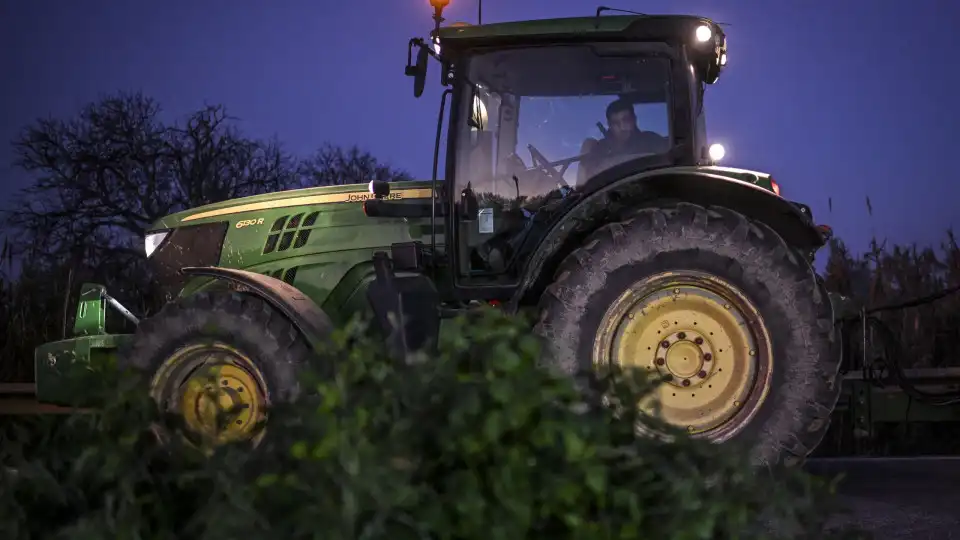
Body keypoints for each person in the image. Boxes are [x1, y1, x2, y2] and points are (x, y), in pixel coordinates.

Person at [577, 98, 669, 183]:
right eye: (615, 123)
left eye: (626, 120)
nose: (622, 127)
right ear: (609, 125)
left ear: (634, 119)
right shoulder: (600, 148)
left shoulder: (651, 140)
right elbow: (590, 179)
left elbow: (669, 165)